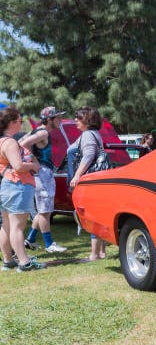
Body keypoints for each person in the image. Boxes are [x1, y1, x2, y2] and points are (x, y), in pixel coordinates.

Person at [0, 106, 45, 271]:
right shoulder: (10, 142)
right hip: (18, 186)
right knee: (17, 227)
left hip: (7, 186)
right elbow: (18, 166)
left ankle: (7, 260)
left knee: (6, 225)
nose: (21, 124)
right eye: (20, 121)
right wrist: (33, 165)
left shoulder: (2, 141)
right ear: (11, 123)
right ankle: (24, 262)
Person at [19, 107, 68, 253]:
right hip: (42, 174)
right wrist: (34, 162)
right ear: (49, 119)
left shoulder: (36, 131)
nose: (60, 120)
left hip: (41, 174)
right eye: (57, 118)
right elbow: (22, 145)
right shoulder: (43, 132)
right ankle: (49, 244)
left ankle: (31, 239)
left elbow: (21, 141)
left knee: (42, 211)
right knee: (45, 212)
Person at [68, 106, 106, 261]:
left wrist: (77, 175)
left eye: (78, 117)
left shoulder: (88, 135)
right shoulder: (92, 134)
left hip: (89, 181)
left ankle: (94, 254)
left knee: (92, 216)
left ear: (87, 120)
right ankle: (102, 252)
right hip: (96, 180)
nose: (75, 120)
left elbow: (89, 155)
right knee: (98, 215)